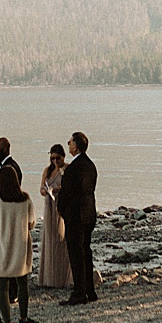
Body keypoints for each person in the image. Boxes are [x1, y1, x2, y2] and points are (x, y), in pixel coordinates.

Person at [0, 162, 39, 323]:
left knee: (2, 288)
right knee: (22, 283)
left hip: (1, 247)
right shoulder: (25, 199)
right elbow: (31, 224)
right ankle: (23, 317)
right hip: (20, 247)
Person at [56, 130, 99, 305]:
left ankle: (79, 292)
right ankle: (89, 289)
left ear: (76, 145)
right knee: (86, 251)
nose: (68, 144)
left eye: (70, 142)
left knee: (76, 252)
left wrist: (60, 208)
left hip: (76, 215)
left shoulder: (74, 168)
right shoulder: (90, 165)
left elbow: (67, 192)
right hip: (88, 212)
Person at [36, 143, 73, 289]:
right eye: (52, 158)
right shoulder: (47, 170)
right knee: (49, 239)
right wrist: (45, 191)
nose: (55, 161)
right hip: (49, 206)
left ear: (63, 157)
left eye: (57, 158)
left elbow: (71, 187)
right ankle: (48, 277)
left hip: (61, 206)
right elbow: (41, 188)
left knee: (60, 239)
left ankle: (61, 277)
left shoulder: (67, 169)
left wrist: (60, 189)